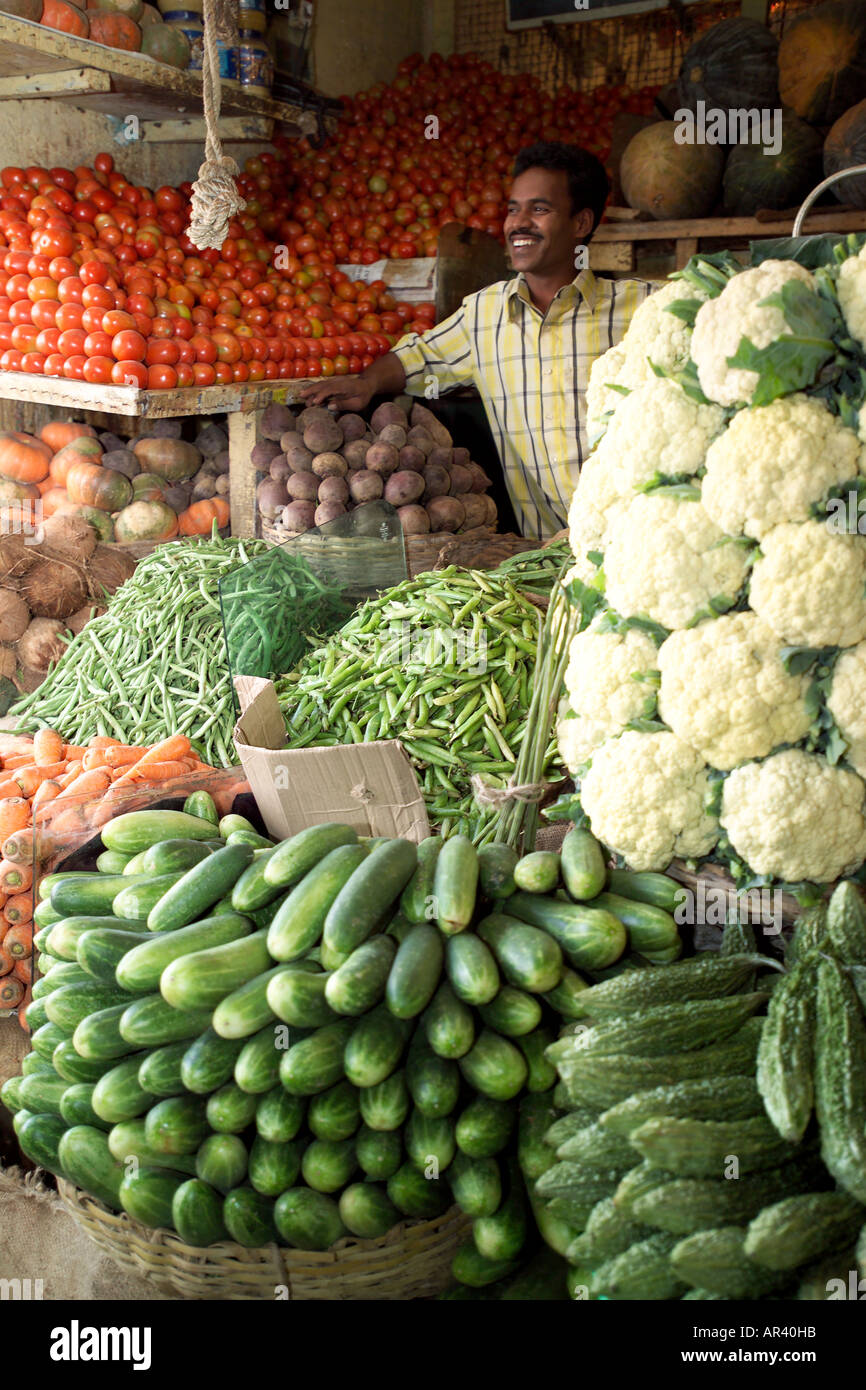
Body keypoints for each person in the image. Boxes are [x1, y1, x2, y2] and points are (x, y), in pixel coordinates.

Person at [300, 141, 653, 540]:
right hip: (549, 551)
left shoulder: (641, 306)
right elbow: (420, 356)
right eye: (512, 209)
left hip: (639, 537)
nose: (518, 223)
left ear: (581, 223)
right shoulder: (484, 314)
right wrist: (366, 383)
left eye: (539, 209)